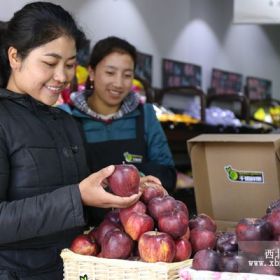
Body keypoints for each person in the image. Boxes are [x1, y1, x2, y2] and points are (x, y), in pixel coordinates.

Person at [0, 2, 162, 279]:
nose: (62, 76)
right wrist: (77, 197)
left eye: (70, 65)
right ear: (15, 57)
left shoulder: (66, 122)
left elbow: (83, 197)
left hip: (75, 270)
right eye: (50, 63)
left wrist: (124, 190)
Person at [60, 36, 176, 224]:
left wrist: (135, 178)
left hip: (137, 227)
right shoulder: (66, 116)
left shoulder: (145, 115)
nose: (119, 83)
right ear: (91, 71)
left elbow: (167, 174)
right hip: (83, 227)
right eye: (110, 72)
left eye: (127, 75)